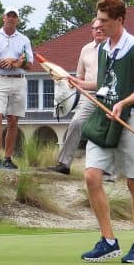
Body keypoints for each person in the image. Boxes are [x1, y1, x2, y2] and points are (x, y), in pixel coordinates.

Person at [76, 0, 134, 263]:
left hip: (130, 119)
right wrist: (75, 82)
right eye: (98, 19)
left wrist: (124, 102)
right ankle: (108, 240)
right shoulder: (102, 48)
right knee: (91, 177)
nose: (100, 25)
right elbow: (102, 84)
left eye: (105, 21)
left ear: (119, 20)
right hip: (103, 118)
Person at [47, 18, 107, 175]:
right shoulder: (85, 50)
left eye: (102, 28)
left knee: (107, 129)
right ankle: (64, 164)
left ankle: (107, 169)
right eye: (96, 28)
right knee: (76, 123)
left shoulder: (114, 49)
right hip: (89, 95)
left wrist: (83, 84)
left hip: (110, 95)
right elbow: (79, 76)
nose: (99, 31)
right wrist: (75, 83)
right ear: (92, 31)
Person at [0, 7, 33, 169]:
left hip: (19, 81)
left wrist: (19, 62)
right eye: (9, 16)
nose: (11, 19)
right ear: (3, 18)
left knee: (13, 120)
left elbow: (29, 63)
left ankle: (7, 158)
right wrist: (14, 61)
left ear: (17, 20)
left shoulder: (24, 39)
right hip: (0, 80)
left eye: (14, 16)